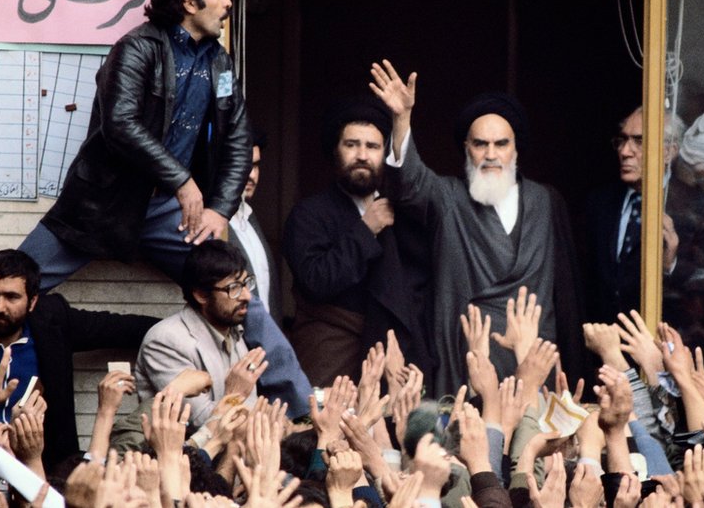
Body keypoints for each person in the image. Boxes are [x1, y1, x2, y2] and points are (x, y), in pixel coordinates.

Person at [15, 0, 310, 416]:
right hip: (101, 205)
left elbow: (236, 137)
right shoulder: (136, 48)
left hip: (172, 216)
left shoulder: (219, 60)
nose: (229, 2)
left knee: (239, 296)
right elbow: (121, 124)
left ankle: (304, 413)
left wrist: (220, 210)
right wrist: (183, 181)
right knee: (10, 282)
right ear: (189, 2)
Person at [368, 60, 582, 393]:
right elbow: (408, 183)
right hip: (467, 360)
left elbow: (565, 294)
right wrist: (401, 118)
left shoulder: (545, 202)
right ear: (466, 149)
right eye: (480, 144)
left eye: (501, 144)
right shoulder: (447, 197)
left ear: (516, 149)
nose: (491, 154)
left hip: (535, 363)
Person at [282, 98, 433, 387]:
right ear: (336, 151)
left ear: (384, 154)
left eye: (372, 147)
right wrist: (366, 230)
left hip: (392, 355)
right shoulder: (308, 213)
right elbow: (317, 280)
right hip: (330, 353)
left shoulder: (402, 212)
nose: (362, 155)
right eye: (351, 145)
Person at [585, 108, 704, 364]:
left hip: (671, 357)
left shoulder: (702, 209)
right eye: (622, 140)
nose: (625, 151)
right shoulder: (600, 204)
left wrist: (672, 266)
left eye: (639, 141)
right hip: (609, 359)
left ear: (669, 151)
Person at [0, 249, 156, 470]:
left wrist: (179, 331)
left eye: (11, 297)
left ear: (32, 302)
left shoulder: (52, 320)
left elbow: (115, 328)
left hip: (45, 468)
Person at [135, 240, 263, 427]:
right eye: (234, 288)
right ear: (201, 295)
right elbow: (200, 424)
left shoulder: (233, 329)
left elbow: (250, 411)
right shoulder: (166, 340)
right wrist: (235, 394)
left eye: (246, 284)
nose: (246, 296)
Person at [228, 132, 281, 325]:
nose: (251, 175)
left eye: (255, 165)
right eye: (243, 164)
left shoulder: (250, 218)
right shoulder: (215, 224)